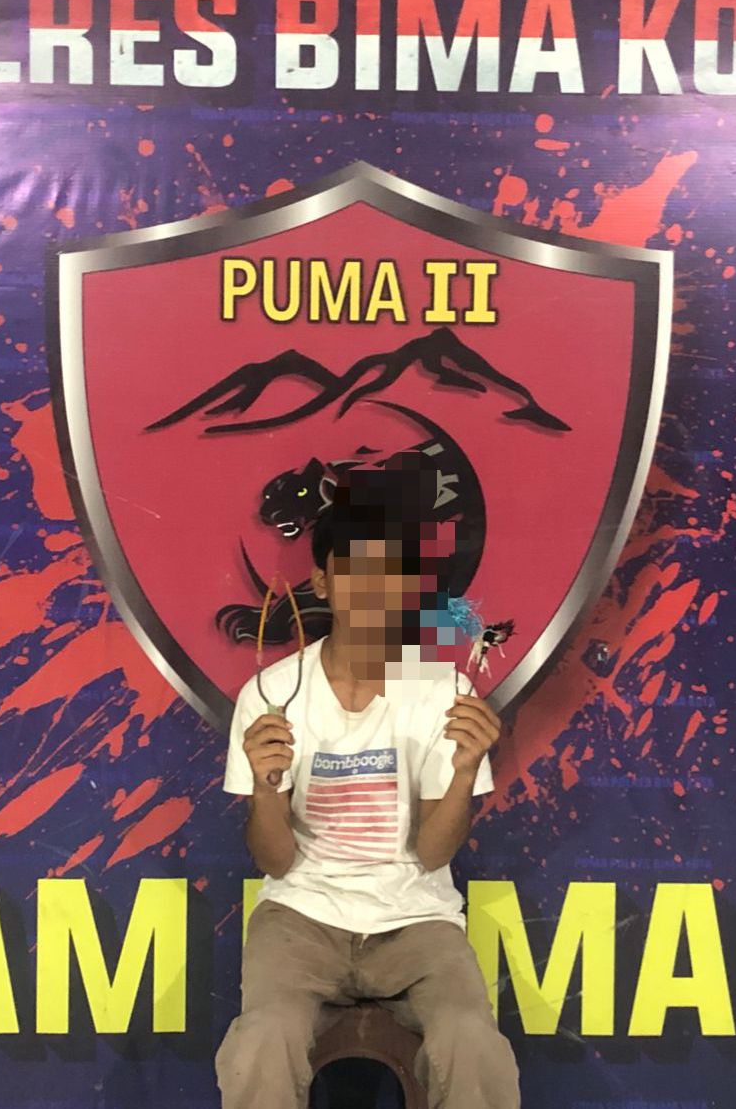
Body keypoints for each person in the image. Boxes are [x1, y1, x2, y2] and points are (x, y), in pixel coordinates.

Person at [215, 467, 521, 1109]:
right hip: (301, 914)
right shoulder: (271, 693)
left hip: (416, 919)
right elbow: (276, 862)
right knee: (260, 1040)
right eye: (355, 570)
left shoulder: (443, 691)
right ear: (324, 580)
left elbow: (433, 854)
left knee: (473, 1042)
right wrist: (267, 791)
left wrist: (466, 771)